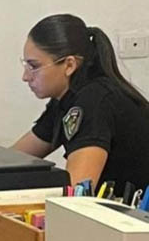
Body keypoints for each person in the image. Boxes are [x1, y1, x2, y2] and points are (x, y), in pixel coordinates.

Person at [12, 13, 149, 194]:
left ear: (69, 65)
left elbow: (77, 192)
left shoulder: (94, 102)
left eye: (34, 66)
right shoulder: (65, 99)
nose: (26, 76)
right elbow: (12, 160)